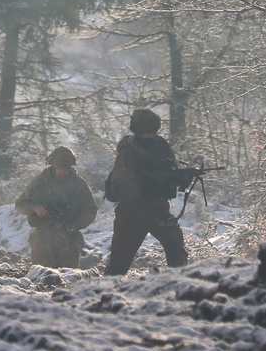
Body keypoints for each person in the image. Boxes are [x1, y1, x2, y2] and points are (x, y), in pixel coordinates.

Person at [104, 107, 190, 276]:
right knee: (118, 264)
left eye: (153, 131)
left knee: (175, 245)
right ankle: (104, 294)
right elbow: (119, 187)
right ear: (137, 131)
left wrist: (180, 179)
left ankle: (181, 284)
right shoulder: (127, 151)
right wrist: (147, 183)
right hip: (132, 214)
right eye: (146, 132)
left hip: (157, 209)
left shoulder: (161, 145)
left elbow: (171, 171)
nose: (150, 136)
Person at [15, 145, 97, 268]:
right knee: (42, 271)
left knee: (69, 273)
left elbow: (90, 210)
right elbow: (19, 205)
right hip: (43, 234)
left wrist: (73, 226)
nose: (64, 171)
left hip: (69, 234)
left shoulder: (79, 185)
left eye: (66, 168)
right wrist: (35, 208)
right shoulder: (40, 182)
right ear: (53, 165)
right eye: (60, 168)